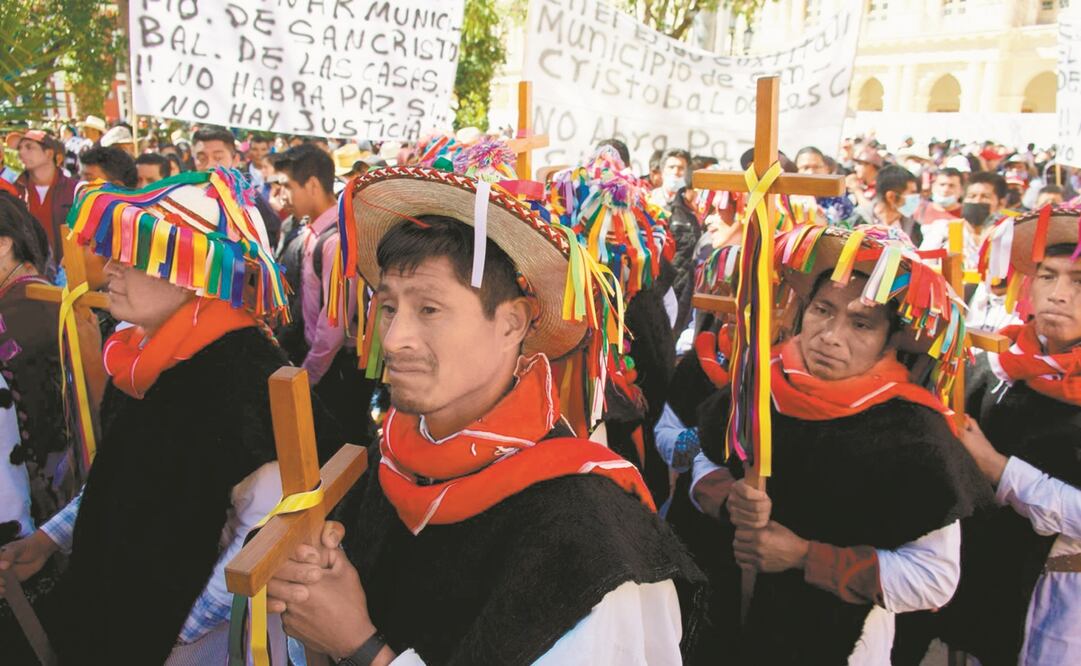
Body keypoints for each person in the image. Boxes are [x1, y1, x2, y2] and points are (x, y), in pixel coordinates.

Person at [263, 164, 705, 665]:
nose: (394, 339)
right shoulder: (390, 465)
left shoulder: (592, 539)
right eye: (388, 308)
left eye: (429, 309)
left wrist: (362, 648)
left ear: (512, 322)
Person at [0, 171, 342, 664]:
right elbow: (121, 475)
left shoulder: (247, 379)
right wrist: (51, 537)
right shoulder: (140, 354)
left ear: (193, 271)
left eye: (134, 257)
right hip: (118, 613)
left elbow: (259, 539)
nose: (110, 268)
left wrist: (177, 637)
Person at [678, 225, 990, 664]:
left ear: (889, 338)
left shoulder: (914, 432)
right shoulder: (757, 387)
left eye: (861, 323)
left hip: (843, 645)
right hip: (725, 625)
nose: (831, 335)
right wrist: (727, 497)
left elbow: (934, 578)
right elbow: (706, 460)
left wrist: (805, 556)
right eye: (823, 309)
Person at [895, 208, 1081, 666]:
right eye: (1048, 275)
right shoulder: (991, 364)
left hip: (1064, 604)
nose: (1059, 294)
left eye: (1080, 281)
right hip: (984, 588)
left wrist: (997, 468)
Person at [273, 144, 374, 445]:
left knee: (342, 450)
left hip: (336, 371)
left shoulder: (336, 240)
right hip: (325, 367)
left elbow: (333, 326)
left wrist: (308, 376)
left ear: (313, 185)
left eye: (289, 187)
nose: (283, 197)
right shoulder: (312, 232)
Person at [192, 127, 281, 248]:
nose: (209, 165)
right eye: (201, 158)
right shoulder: (182, 195)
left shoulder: (250, 198)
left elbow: (270, 235)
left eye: (218, 158)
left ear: (235, 160)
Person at [8, 129, 78, 271]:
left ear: (49, 153)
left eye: (29, 147)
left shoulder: (74, 189)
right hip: (28, 273)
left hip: (69, 272)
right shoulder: (14, 190)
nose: (22, 152)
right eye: (20, 148)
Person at [920, 171, 1007, 269]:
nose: (976, 201)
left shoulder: (1006, 236)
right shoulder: (942, 231)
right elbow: (922, 266)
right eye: (971, 196)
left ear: (1001, 204)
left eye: (985, 197)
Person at [843, 165, 922, 244]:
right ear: (891, 196)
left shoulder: (914, 228)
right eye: (912, 193)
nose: (916, 198)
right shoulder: (857, 222)